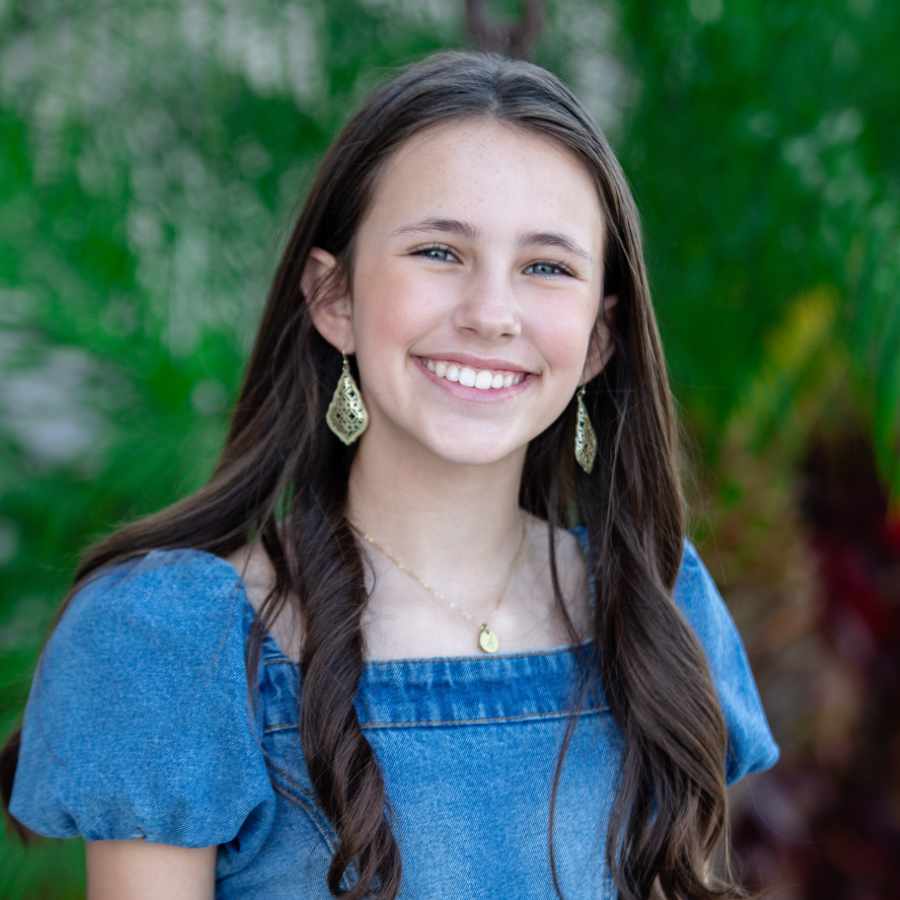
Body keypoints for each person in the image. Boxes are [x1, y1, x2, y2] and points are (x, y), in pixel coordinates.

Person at [2, 49, 780, 899]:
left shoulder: (662, 608)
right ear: (333, 298)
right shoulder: (172, 642)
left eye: (546, 267)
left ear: (598, 339)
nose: (491, 314)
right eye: (439, 252)